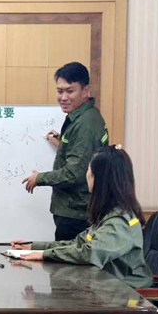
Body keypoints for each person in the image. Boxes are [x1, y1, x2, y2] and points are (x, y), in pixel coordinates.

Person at [12, 145, 153, 314]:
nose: (87, 175)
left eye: (89, 171)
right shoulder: (110, 216)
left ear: (101, 179)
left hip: (119, 311)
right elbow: (78, 243)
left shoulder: (120, 221)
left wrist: (43, 254)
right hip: (106, 301)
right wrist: (33, 246)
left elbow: (90, 253)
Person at [22, 62, 109, 241]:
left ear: (85, 91)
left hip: (76, 213)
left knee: (66, 258)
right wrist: (62, 142)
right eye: (60, 91)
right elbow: (84, 154)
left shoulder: (86, 124)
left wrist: (40, 178)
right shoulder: (83, 118)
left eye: (70, 91)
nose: (63, 97)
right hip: (75, 210)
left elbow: (75, 173)